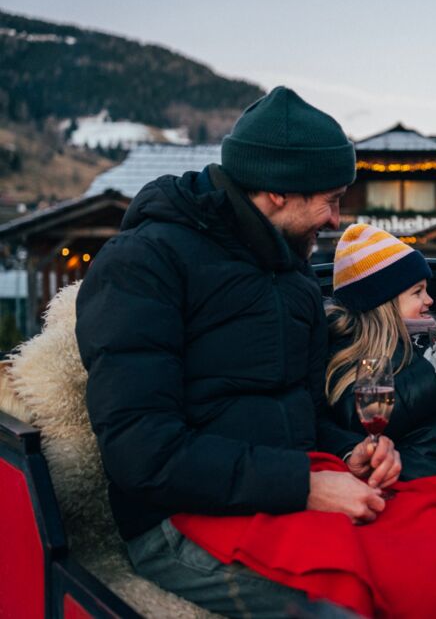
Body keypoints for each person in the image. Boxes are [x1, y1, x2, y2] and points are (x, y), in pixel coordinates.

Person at [75, 86, 401, 618]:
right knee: (353, 607)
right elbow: (141, 452)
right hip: (176, 519)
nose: (336, 220)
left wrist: (350, 453)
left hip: (285, 492)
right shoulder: (143, 263)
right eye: (330, 199)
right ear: (276, 191)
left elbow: (304, 414)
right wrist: (302, 486)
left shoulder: (292, 274)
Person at [325, 223, 436, 479]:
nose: (430, 300)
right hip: (410, 480)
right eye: (417, 292)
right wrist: (432, 377)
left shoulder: (434, 339)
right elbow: (364, 421)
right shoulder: (355, 353)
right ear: (382, 302)